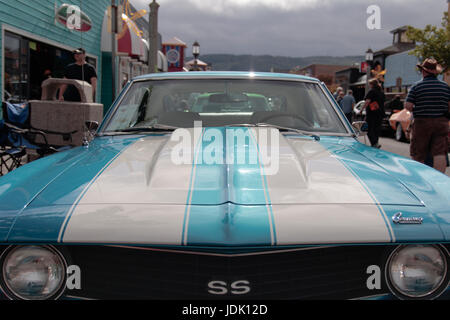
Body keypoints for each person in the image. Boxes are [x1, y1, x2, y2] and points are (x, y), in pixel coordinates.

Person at [404, 58, 450, 173]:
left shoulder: (416, 86)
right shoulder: (445, 87)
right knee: (440, 152)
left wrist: (418, 108)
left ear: (423, 72)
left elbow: (408, 106)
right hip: (441, 122)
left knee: (419, 152)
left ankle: (420, 177)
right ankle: (440, 178)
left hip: (422, 122)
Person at [364, 79, 385, 148]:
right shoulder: (381, 92)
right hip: (380, 113)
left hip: (371, 113)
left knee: (368, 128)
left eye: (370, 84)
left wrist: (361, 110)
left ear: (372, 85)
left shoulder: (371, 92)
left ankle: (374, 143)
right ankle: (376, 142)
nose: (369, 85)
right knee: (376, 128)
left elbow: (367, 101)